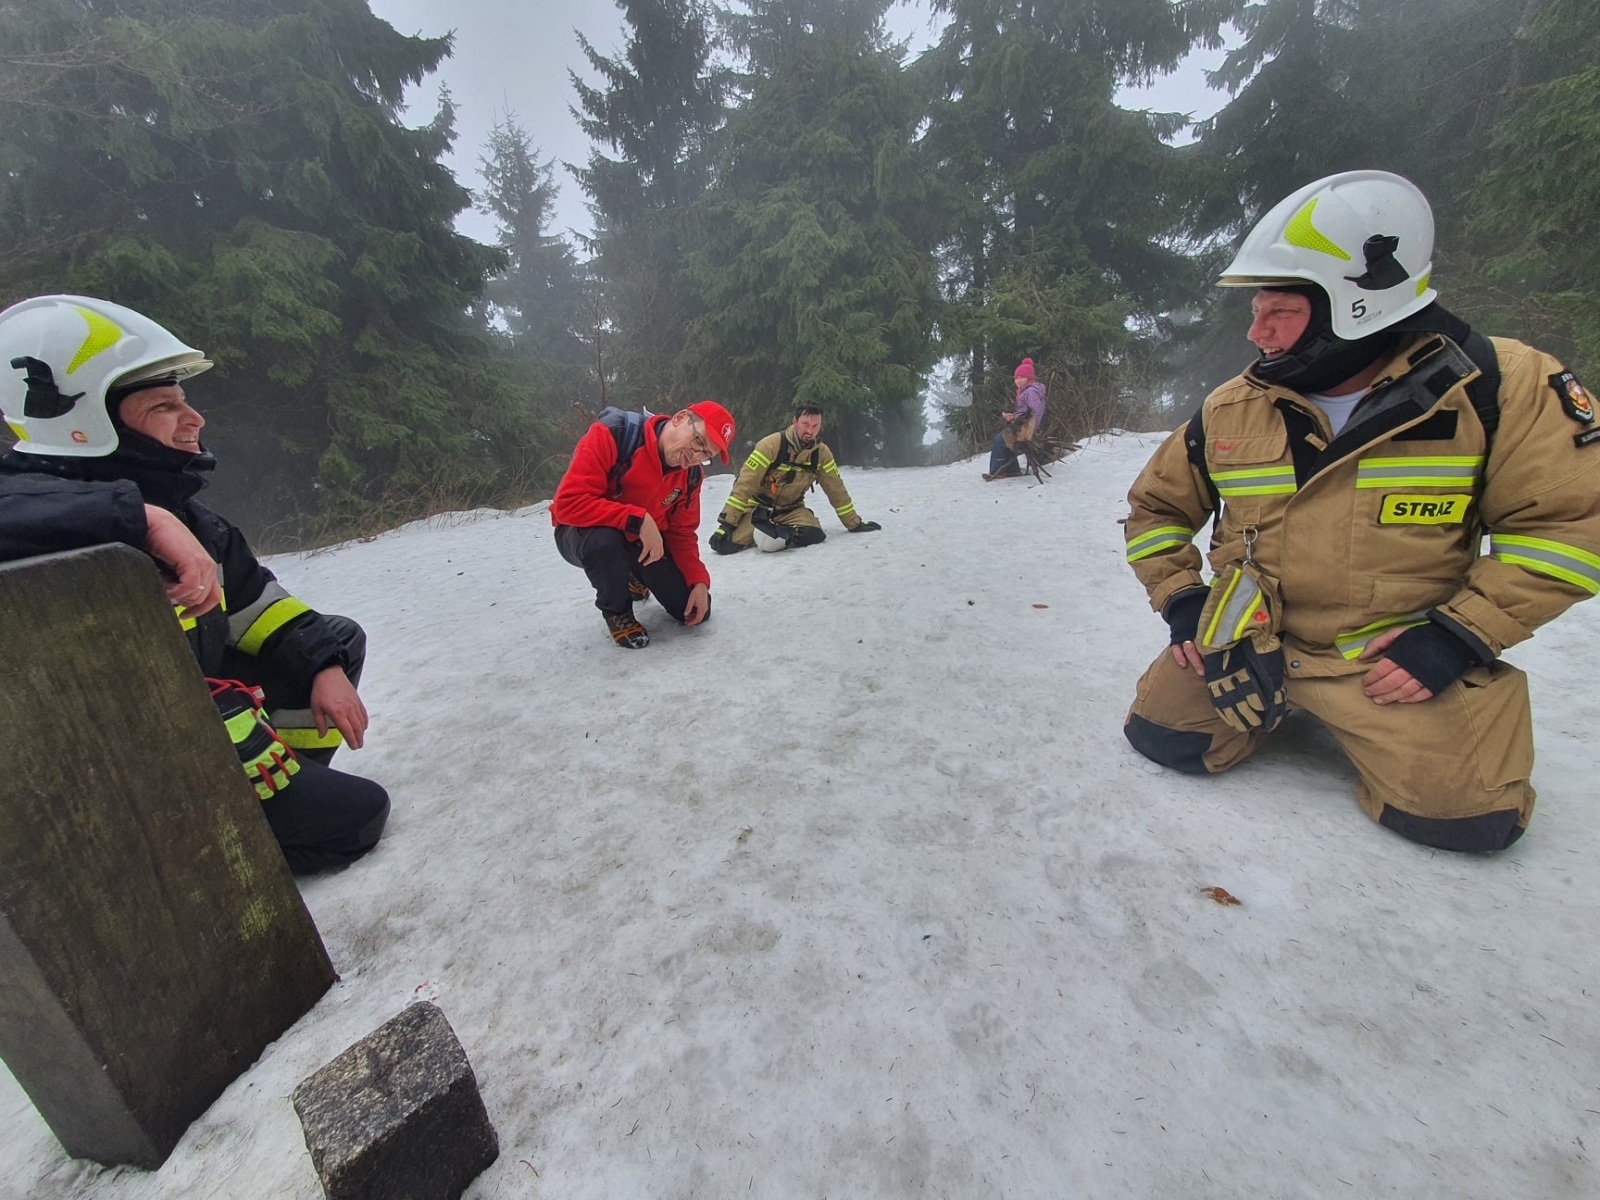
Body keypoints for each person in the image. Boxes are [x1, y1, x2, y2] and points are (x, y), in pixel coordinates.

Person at [1121, 169, 1600, 853]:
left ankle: (1406, 717)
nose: (1257, 334)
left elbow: (1572, 527)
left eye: (1279, 312)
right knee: (1163, 737)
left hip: (1389, 662)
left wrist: (1458, 637)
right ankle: (1284, 702)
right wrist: (1185, 607)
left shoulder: (1499, 387)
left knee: (1469, 820)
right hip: (1246, 648)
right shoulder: (1232, 406)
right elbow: (1155, 510)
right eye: (1255, 311)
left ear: (1357, 303)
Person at [0, 294, 389, 874]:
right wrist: (139, 519)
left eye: (185, 401)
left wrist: (324, 668)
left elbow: (259, 606)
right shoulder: (41, 510)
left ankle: (275, 797)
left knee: (334, 640)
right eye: (164, 406)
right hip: (122, 778)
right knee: (358, 819)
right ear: (82, 423)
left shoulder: (194, 517)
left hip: (190, 726)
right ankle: (223, 854)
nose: (195, 419)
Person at [552, 401, 735, 648]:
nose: (695, 457)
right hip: (582, 532)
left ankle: (631, 575)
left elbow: (681, 532)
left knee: (690, 609)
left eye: (706, 455)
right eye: (699, 441)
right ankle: (617, 611)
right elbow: (568, 504)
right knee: (605, 542)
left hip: (643, 541)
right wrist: (637, 519)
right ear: (680, 418)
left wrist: (698, 581)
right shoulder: (613, 434)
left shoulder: (691, 475)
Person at [708, 403, 881, 553]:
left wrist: (854, 523)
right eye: (805, 424)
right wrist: (726, 524)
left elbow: (836, 489)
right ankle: (764, 531)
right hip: (757, 509)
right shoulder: (771, 445)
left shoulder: (821, 454)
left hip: (791, 510)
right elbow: (744, 485)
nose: (809, 431)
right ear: (794, 421)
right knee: (724, 546)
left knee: (814, 534)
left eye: (815, 426)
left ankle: (776, 533)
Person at [984, 358, 1047, 480]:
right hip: (1023, 427)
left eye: (1021, 377)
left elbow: (1037, 410)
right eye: (1016, 378)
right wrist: (1014, 416)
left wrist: (1030, 426)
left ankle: (998, 470)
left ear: (1029, 378)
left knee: (999, 441)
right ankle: (1012, 470)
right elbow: (1025, 411)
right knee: (1005, 438)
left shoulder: (1031, 392)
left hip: (1026, 430)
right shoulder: (1026, 391)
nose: (1018, 380)